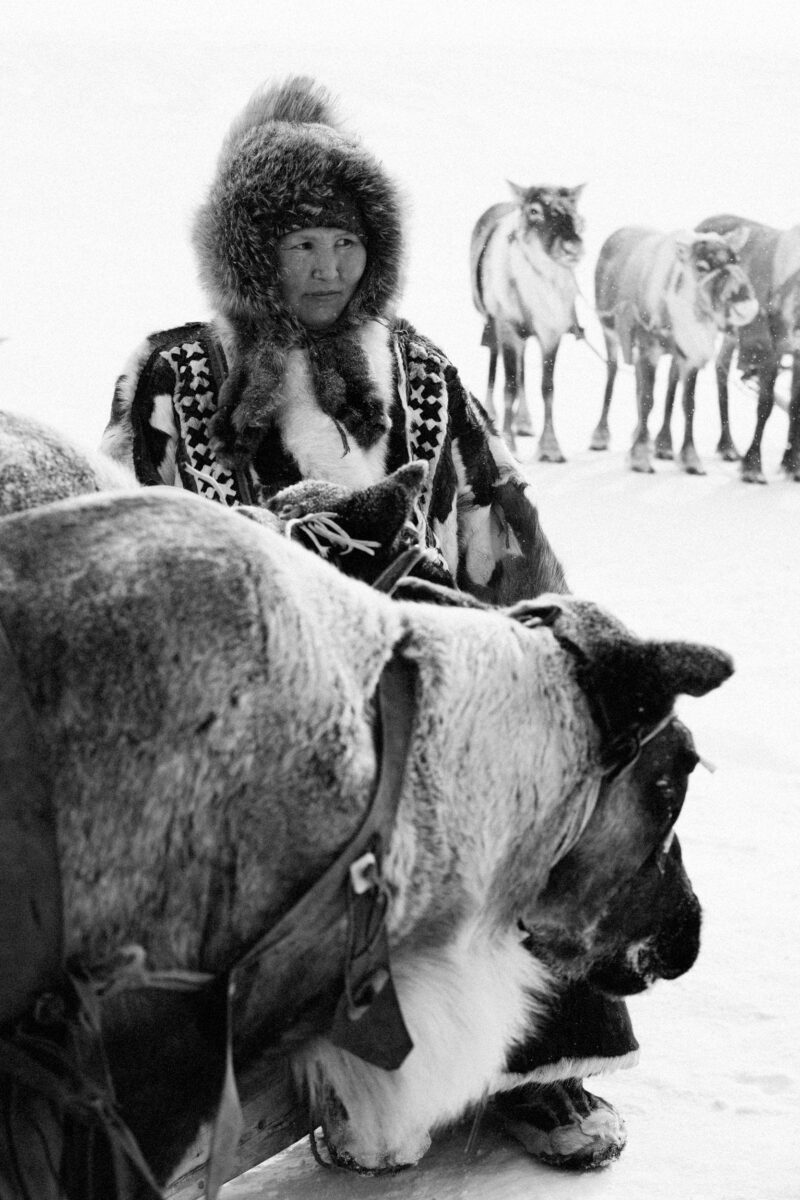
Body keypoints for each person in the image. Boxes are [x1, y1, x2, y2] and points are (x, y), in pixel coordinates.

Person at [102, 75, 636, 1170]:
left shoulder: (427, 370)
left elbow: (507, 537)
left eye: (345, 241)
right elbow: (129, 552)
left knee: (549, 803)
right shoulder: (171, 374)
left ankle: (533, 1061)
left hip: (440, 696)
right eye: (298, 241)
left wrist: (552, 685)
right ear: (246, 241)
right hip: (255, 720)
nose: (325, 269)